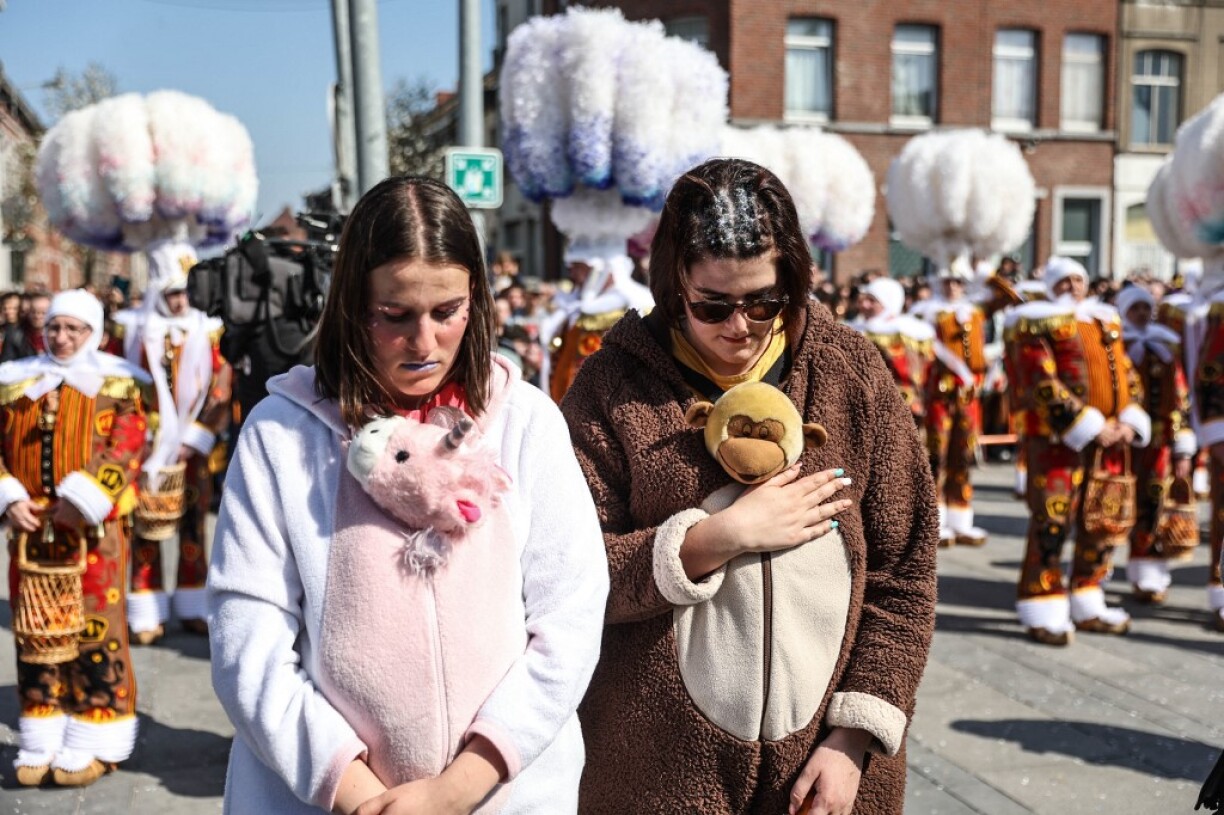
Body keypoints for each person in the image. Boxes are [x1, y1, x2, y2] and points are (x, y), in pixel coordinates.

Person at [207, 176, 608, 814]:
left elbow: (571, 614)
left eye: (446, 312)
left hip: (504, 795)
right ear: (351, 306)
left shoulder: (525, 421)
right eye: (395, 316)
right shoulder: (281, 434)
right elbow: (247, 640)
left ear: (476, 300)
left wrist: (462, 786)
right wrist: (354, 790)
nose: (424, 344)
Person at [560, 158, 938, 815]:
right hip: (654, 776)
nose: (741, 325)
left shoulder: (852, 373)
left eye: (765, 300)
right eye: (713, 305)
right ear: (673, 285)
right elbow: (569, 573)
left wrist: (855, 736)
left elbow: (906, 569)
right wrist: (711, 541)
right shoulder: (610, 386)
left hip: (828, 776)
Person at [0, 289, 152, 787]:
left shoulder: (120, 383)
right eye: (55, 328)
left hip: (95, 532)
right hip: (31, 531)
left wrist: (85, 498)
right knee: (36, 628)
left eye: (73, 329)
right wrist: (8, 497)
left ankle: (96, 733)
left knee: (96, 626)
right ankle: (42, 730)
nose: (61, 338)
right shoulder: (15, 380)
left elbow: (128, 443)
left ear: (95, 333)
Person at [1003, 257, 1150, 646]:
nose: (1072, 286)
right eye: (1064, 280)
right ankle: (1043, 599)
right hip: (1058, 443)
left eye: (1078, 279)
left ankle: (1088, 596)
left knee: (1102, 520)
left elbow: (1127, 374)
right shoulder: (1033, 323)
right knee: (1052, 521)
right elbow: (1040, 381)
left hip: (1111, 442)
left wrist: (1128, 420)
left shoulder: (1104, 321)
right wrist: (1089, 425)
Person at [109, 243, 232, 643]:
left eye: (185, 292)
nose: (180, 301)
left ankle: (193, 601)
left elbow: (220, 387)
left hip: (192, 447)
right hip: (145, 447)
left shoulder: (208, 330)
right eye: (173, 293)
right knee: (145, 524)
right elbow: (116, 383)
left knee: (193, 525)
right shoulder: (133, 331)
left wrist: (197, 436)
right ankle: (146, 605)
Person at [910, 262, 1019, 546]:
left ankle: (960, 518)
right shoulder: (925, 313)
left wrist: (987, 273)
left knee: (964, 454)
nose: (953, 286)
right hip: (939, 395)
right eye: (947, 281)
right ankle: (935, 519)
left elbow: (1011, 298)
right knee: (937, 454)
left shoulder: (976, 310)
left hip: (968, 396)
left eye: (958, 281)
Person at [1115, 285, 1196, 604]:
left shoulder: (1166, 346)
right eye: (1134, 308)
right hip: (1122, 442)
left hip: (1159, 441)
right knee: (1112, 503)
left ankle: (1147, 572)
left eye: (1145, 307)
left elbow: (1180, 397)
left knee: (1153, 503)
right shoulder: (1115, 344)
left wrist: (1181, 445)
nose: (1141, 314)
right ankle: (1094, 571)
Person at [848, 276, 934, 424]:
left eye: (872, 301)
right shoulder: (856, 329)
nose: (865, 305)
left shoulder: (906, 332)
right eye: (864, 300)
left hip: (899, 407)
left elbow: (911, 373)